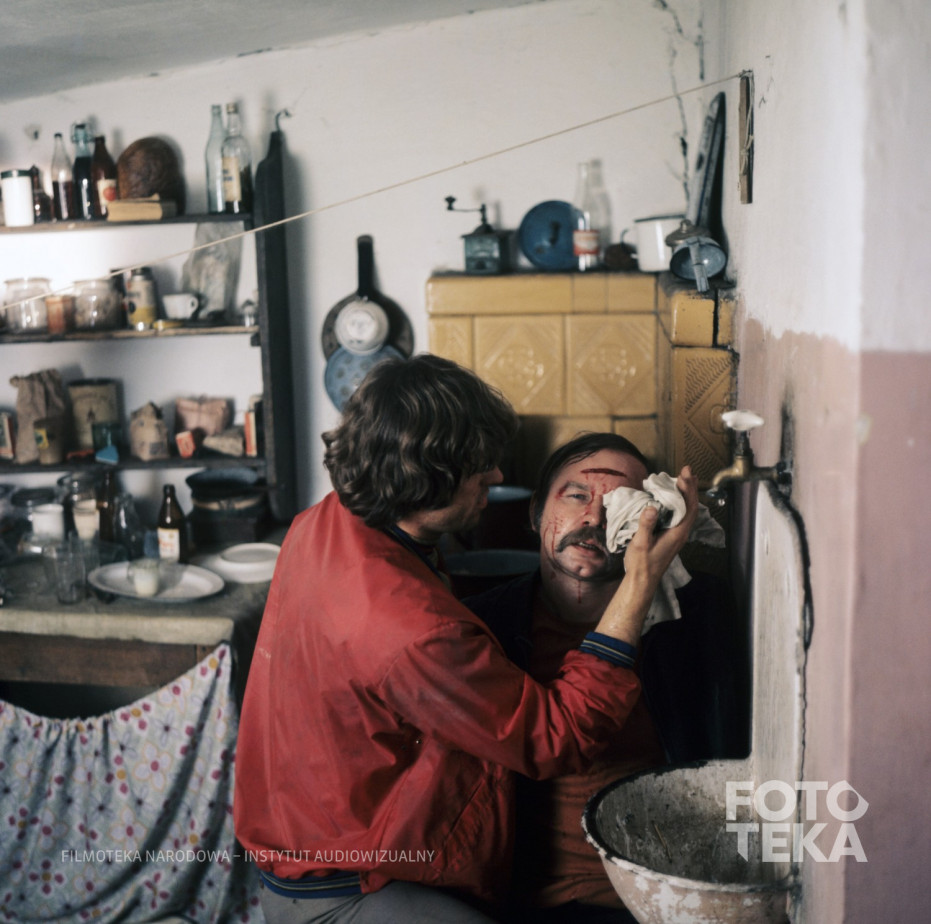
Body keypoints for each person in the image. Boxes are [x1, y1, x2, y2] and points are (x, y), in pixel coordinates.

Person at [233, 355, 700, 924]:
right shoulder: (413, 629)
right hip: (348, 884)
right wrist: (642, 580)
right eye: (481, 466)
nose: (496, 476)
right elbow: (555, 738)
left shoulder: (324, 522)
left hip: (312, 839)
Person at [465, 432, 743, 923]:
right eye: (576, 496)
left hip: (664, 897)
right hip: (518, 903)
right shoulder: (484, 627)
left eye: (620, 503)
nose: (593, 518)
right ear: (535, 512)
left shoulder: (698, 617)